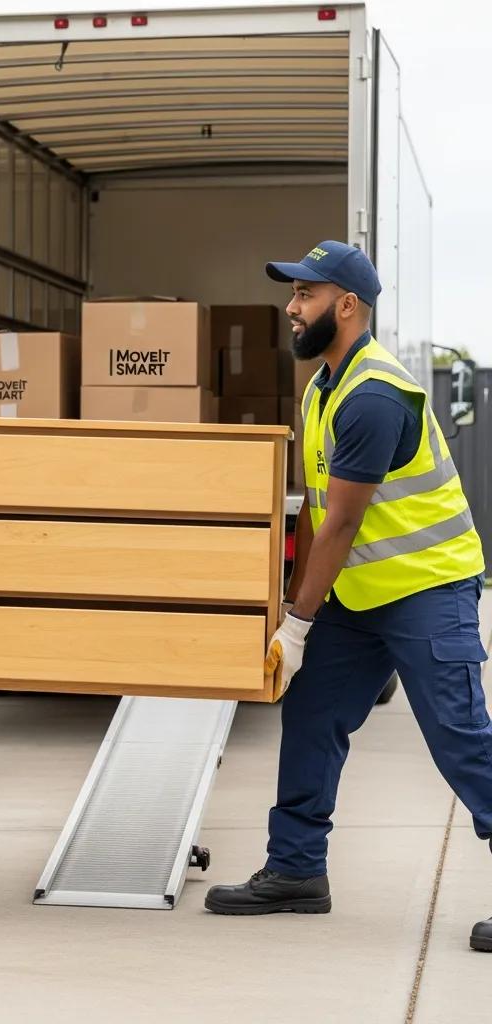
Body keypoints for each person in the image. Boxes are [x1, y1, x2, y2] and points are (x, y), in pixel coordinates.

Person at [203, 241, 492, 954]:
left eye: (306, 295)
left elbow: (344, 521)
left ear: (348, 305)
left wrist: (297, 623)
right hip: (362, 596)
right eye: (293, 294)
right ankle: (297, 870)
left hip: (428, 589)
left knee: (460, 740)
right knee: (311, 713)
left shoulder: (373, 395)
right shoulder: (322, 388)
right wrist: (293, 607)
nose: (291, 308)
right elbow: (317, 509)